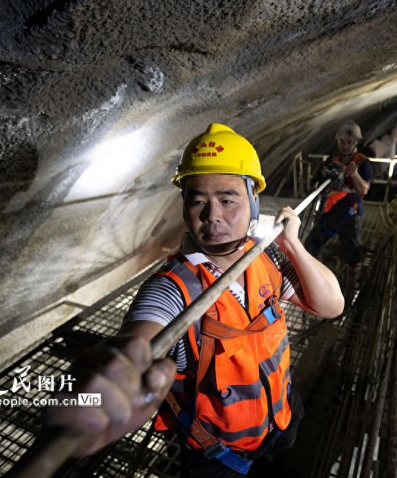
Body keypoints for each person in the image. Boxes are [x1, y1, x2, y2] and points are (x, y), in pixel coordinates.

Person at [46, 123, 344, 477]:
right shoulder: (173, 289)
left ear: (253, 201)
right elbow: (138, 340)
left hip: (280, 419)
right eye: (197, 200)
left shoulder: (266, 258)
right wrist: (109, 376)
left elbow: (331, 306)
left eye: (227, 199)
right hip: (217, 456)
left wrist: (293, 244)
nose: (212, 215)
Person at [304, 120, 373, 305]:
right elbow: (317, 182)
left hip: (350, 211)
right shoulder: (331, 161)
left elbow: (364, 189)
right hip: (332, 209)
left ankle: (349, 294)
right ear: (338, 141)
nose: (345, 145)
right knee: (312, 244)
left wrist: (354, 174)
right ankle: (321, 285)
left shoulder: (362, 163)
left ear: (355, 142)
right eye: (342, 141)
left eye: (349, 142)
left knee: (352, 252)